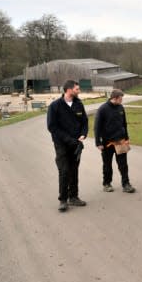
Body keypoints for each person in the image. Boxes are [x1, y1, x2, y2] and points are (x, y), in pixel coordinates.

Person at [47, 80, 89, 212]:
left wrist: (83, 134)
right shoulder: (55, 106)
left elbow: (85, 122)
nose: (79, 91)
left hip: (76, 145)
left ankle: (74, 197)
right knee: (64, 171)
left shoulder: (78, 104)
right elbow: (52, 127)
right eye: (77, 89)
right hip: (62, 145)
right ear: (69, 90)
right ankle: (63, 200)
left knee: (74, 170)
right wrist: (69, 139)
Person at [94, 89, 136, 193]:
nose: (122, 100)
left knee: (123, 164)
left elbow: (124, 124)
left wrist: (126, 138)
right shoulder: (102, 109)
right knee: (107, 164)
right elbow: (97, 127)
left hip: (120, 141)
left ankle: (126, 184)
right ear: (115, 98)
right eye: (121, 98)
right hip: (107, 143)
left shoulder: (121, 108)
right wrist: (98, 143)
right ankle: (107, 184)